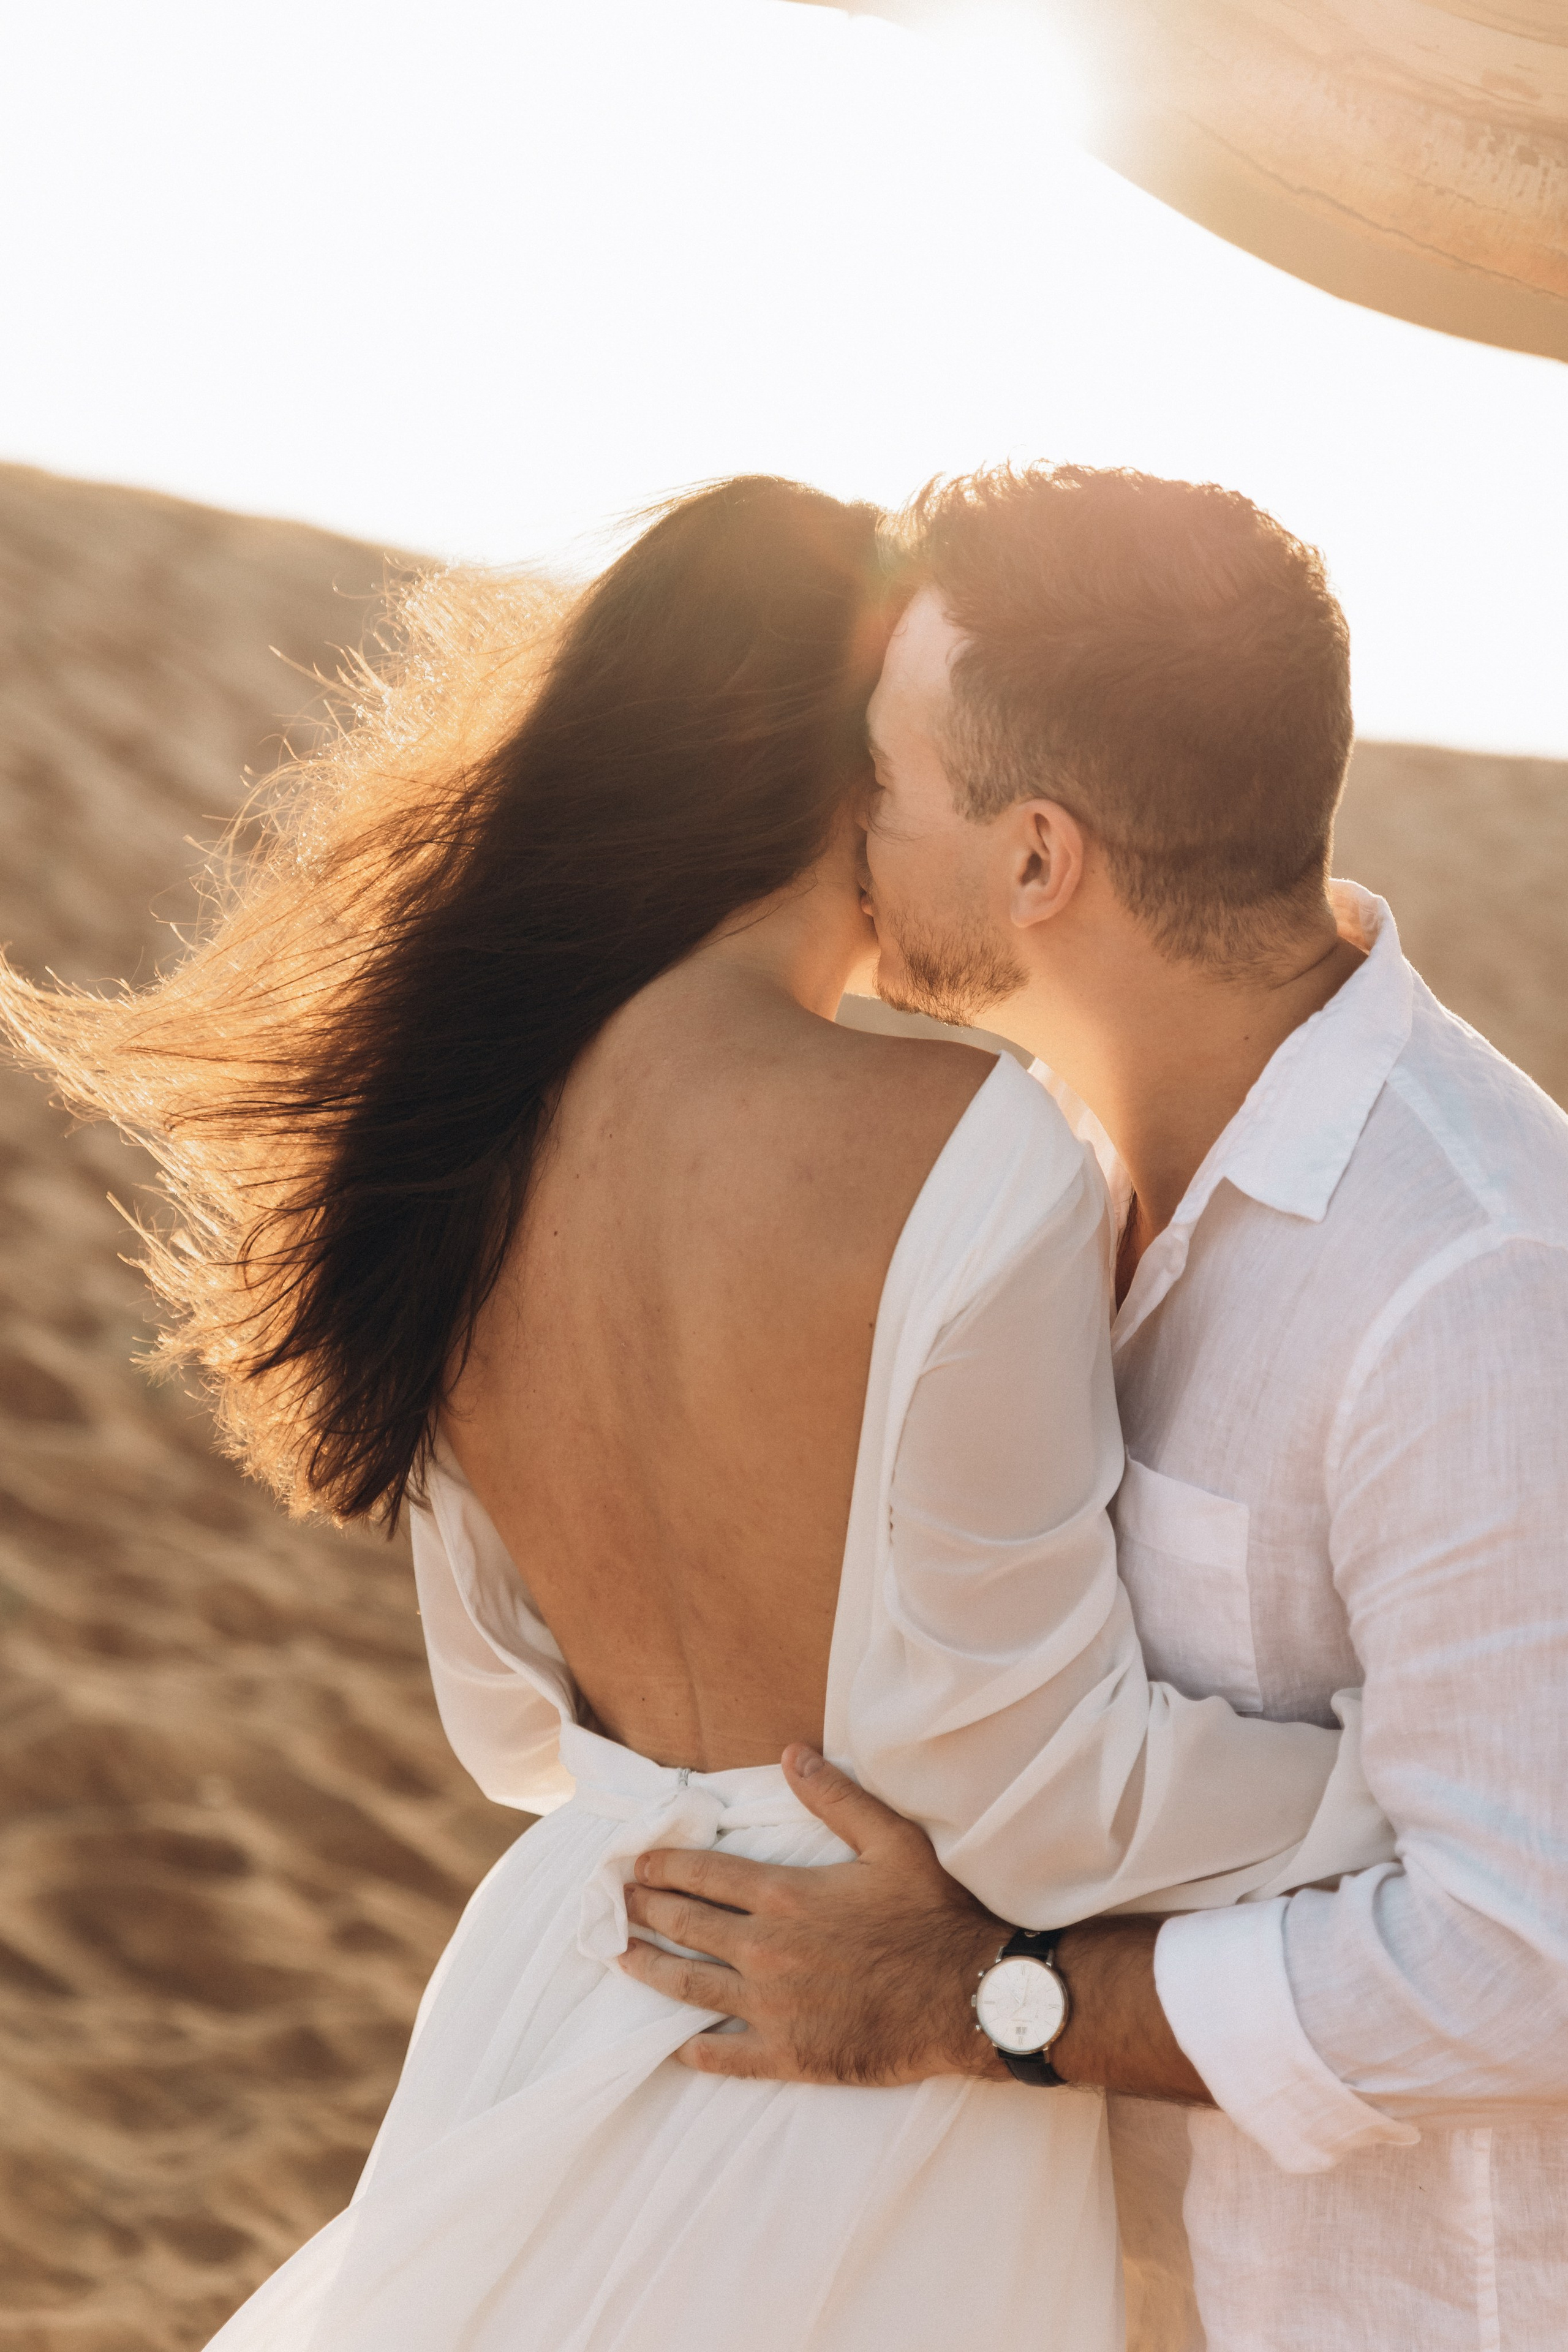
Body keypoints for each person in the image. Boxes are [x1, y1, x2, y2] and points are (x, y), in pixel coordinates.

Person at [1, 473, 1385, 2352]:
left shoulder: (462, 1126)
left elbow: (516, 1723)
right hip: (838, 2061)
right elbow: (1043, 1794)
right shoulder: (959, 1139)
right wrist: (1393, 1784)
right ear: (851, 771)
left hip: (576, 1982)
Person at [622, 465, 1568, 2352]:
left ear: (1039, 859)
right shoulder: (1041, 1179)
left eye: (883, 777)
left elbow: (1530, 1956)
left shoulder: (1472, 1282)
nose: (851, 827)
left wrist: (983, 1999)